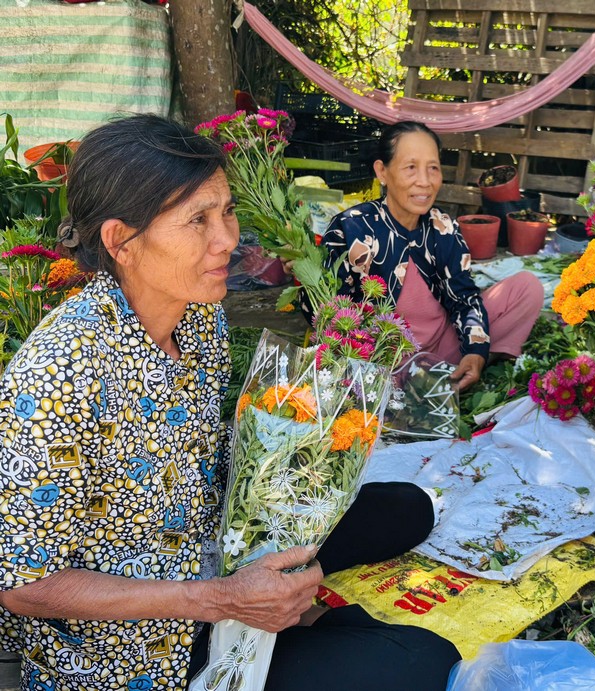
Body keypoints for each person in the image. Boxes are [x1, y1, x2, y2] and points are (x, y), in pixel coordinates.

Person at [0, 115, 458, 690]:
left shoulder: (198, 314)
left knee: (406, 507)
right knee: (420, 661)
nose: (228, 239)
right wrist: (223, 601)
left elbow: (210, 465)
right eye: (198, 220)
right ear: (121, 241)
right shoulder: (57, 378)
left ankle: (308, 630)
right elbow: (22, 586)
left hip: (218, 550)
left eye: (227, 211)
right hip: (143, 652)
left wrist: (300, 478)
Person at [318, 121, 544, 391]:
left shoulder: (442, 227)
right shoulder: (351, 229)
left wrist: (475, 351)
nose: (424, 181)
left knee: (527, 287)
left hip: (445, 345)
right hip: (386, 361)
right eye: (410, 167)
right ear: (383, 171)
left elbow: (465, 298)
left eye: (433, 168)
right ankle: (426, 383)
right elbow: (331, 313)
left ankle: (461, 371)